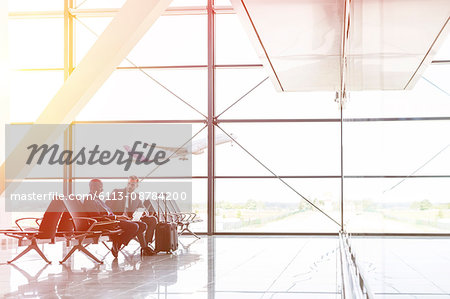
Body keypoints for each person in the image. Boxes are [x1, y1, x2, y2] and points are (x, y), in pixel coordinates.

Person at [88, 179, 154, 257]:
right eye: (100, 187)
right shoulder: (90, 199)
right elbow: (97, 217)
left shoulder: (97, 199)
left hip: (113, 220)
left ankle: (117, 243)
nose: (102, 190)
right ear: (92, 187)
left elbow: (106, 212)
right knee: (135, 226)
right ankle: (118, 243)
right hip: (108, 223)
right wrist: (117, 217)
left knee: (143, 225)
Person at [108, 176, 158, 247]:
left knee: (152, 219)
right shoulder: (117, 192)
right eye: (128, 184)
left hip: (132, 218)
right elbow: (107, 207)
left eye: (132, 185)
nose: (129, 186)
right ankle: (144, 247)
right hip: (120, 219)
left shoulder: (136, 196)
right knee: (139, 224)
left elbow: (142, 207)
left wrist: (144, 212)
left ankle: (147, 243)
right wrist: (117, 216)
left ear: (136, 186)